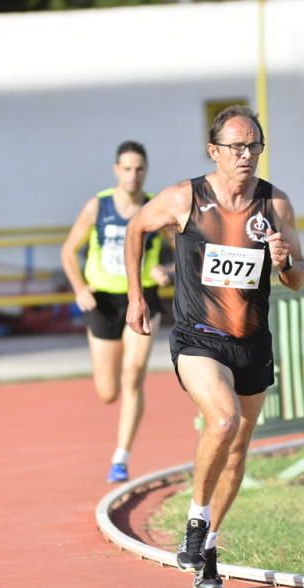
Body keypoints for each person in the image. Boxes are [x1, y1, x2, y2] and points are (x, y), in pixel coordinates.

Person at [123, 105, 304, 588]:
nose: (246, 156)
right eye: (236, 147)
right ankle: (195, 519)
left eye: (254, 147)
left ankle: (209, 546)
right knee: (221, 420)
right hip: (198, 337)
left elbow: (297, 277)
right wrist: (136, 296)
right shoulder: (186, 197)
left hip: (252, 341)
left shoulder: (276, 205)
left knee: (237, 450)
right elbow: (137, 227)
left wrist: (286, 263)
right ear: (215, 151)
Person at [60, 140, 173, 483]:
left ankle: (120, 459)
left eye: (139, 169)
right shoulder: (98, 206)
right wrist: (80, 289)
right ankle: (119, 444)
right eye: (126, 169)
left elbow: (186, 252)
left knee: (133, 373)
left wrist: (168, 272)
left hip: (142, 298)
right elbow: (68, 251)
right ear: (116, 171)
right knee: (108, 392)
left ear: (146, 172)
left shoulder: (156, 209)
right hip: (104, 302)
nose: (133, 175)